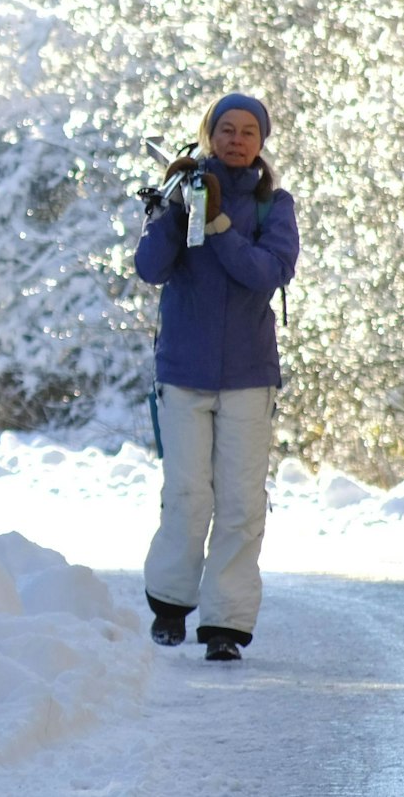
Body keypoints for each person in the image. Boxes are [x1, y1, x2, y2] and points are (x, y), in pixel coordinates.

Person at [133, 92, 299, 662]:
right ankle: (170, 605)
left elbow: (268, 273)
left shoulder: (274, 205)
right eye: (225, 129)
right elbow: (150, 269)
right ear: (209, 135)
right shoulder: (183, 192)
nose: (236, 139)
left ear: (261, 140)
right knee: (185, 493)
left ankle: (225, 623)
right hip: (183, 371)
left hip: (250, 377)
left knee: (241, 501)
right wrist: (177, 211)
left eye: (247, 130)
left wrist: (222, 225)